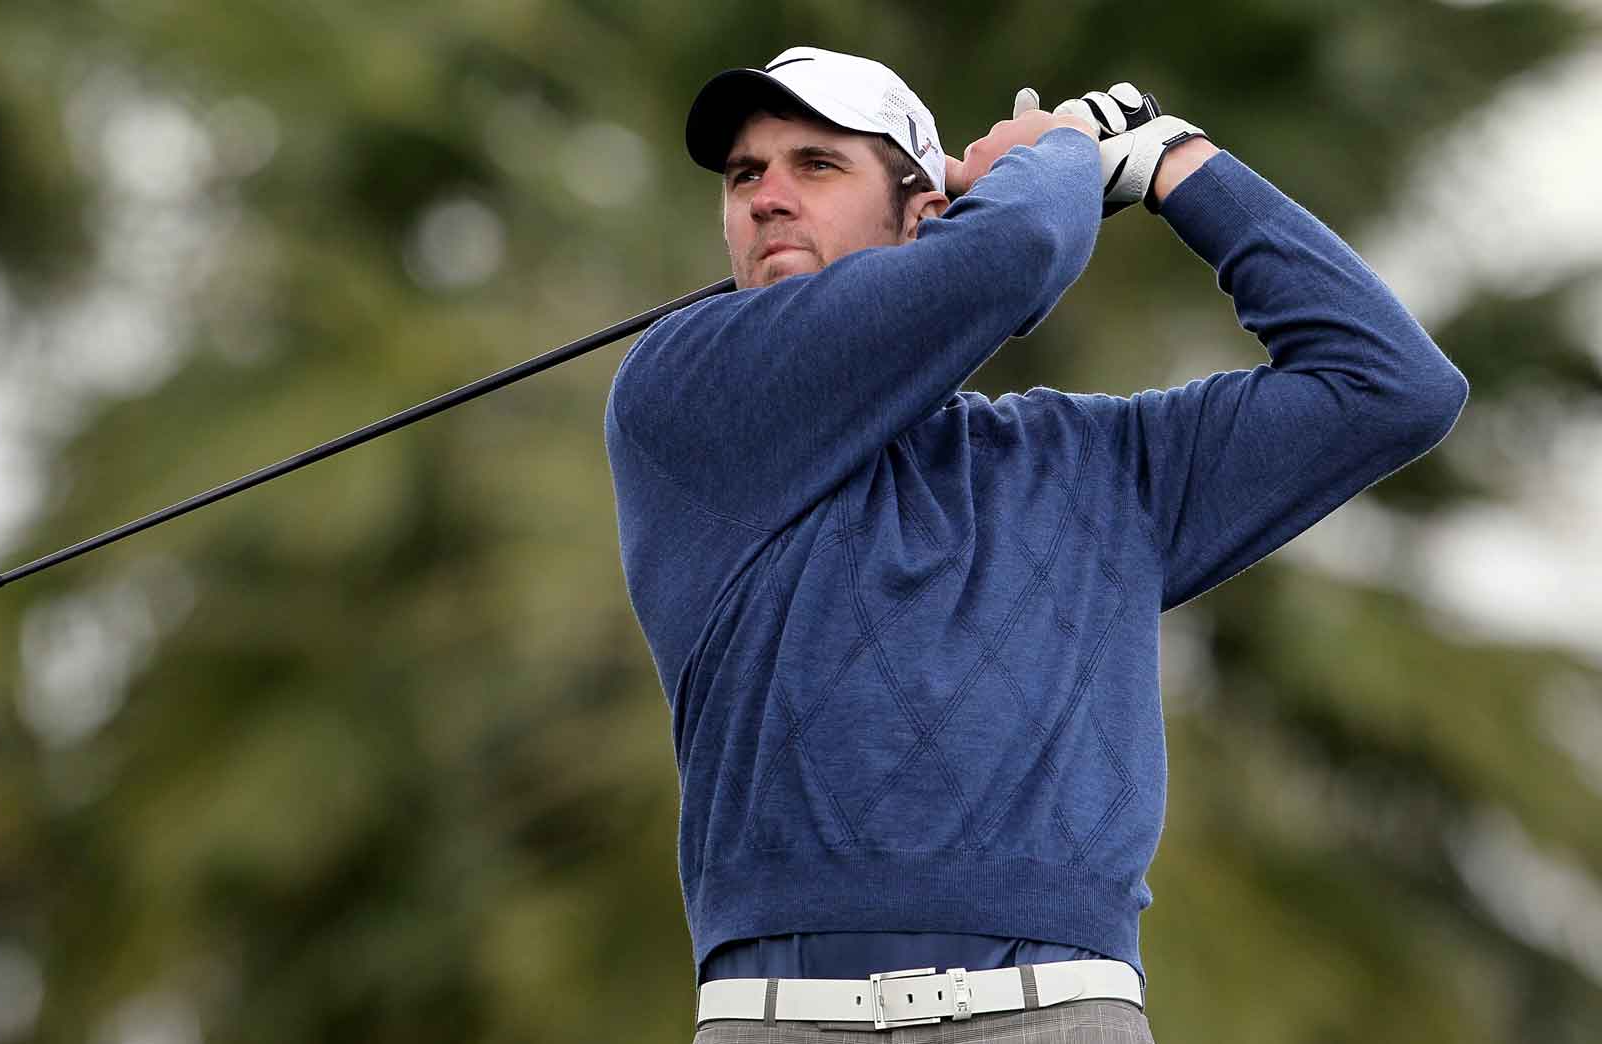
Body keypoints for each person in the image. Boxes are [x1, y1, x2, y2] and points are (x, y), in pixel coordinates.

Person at [603, 46, 1467, 1043]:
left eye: (816, 164)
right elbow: (1016, 249)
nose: (765, 198)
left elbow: (1390, 385)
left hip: (1058, 1018)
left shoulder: (1100, 463)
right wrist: (1056, 152)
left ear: (923, 214)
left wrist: (1175, 164)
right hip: (780, 1020)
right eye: (744, 174)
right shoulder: (685, 398)